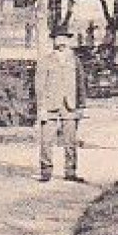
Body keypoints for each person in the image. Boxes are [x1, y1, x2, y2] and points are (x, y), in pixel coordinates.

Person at [35, 29, 84, 182]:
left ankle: (70, 172)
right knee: (46, 140)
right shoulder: (45, 60)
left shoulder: (74, 60)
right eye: (58, 38)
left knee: (70, 140)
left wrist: (81, 105)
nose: (61, 42)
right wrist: (41, 108)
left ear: (68, 41)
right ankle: (46, 171)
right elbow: (39, 85)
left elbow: (81, 84)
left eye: (64, 38)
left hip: (70, 106)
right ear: (53, 41)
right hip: (50, 105)